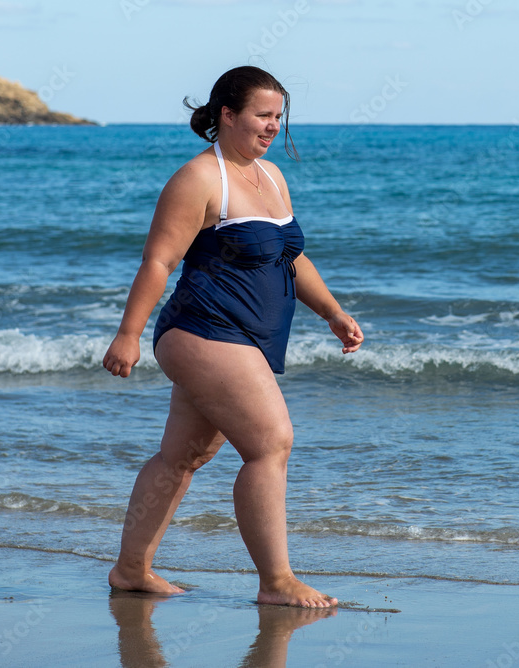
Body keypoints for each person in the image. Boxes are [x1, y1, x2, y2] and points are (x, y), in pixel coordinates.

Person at [102, 66, 363, 608]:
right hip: (203, 331)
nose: (273, 126)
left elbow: (291, 256)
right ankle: (277, 582)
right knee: (271, 443)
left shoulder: (269, 177)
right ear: (227, 114)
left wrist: (332, 312)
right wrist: (128, 334)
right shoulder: (199, 178)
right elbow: (158, 261)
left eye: (278, 116)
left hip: (248, 339)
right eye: (262, 116)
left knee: (183, 455)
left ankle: (130, 570)